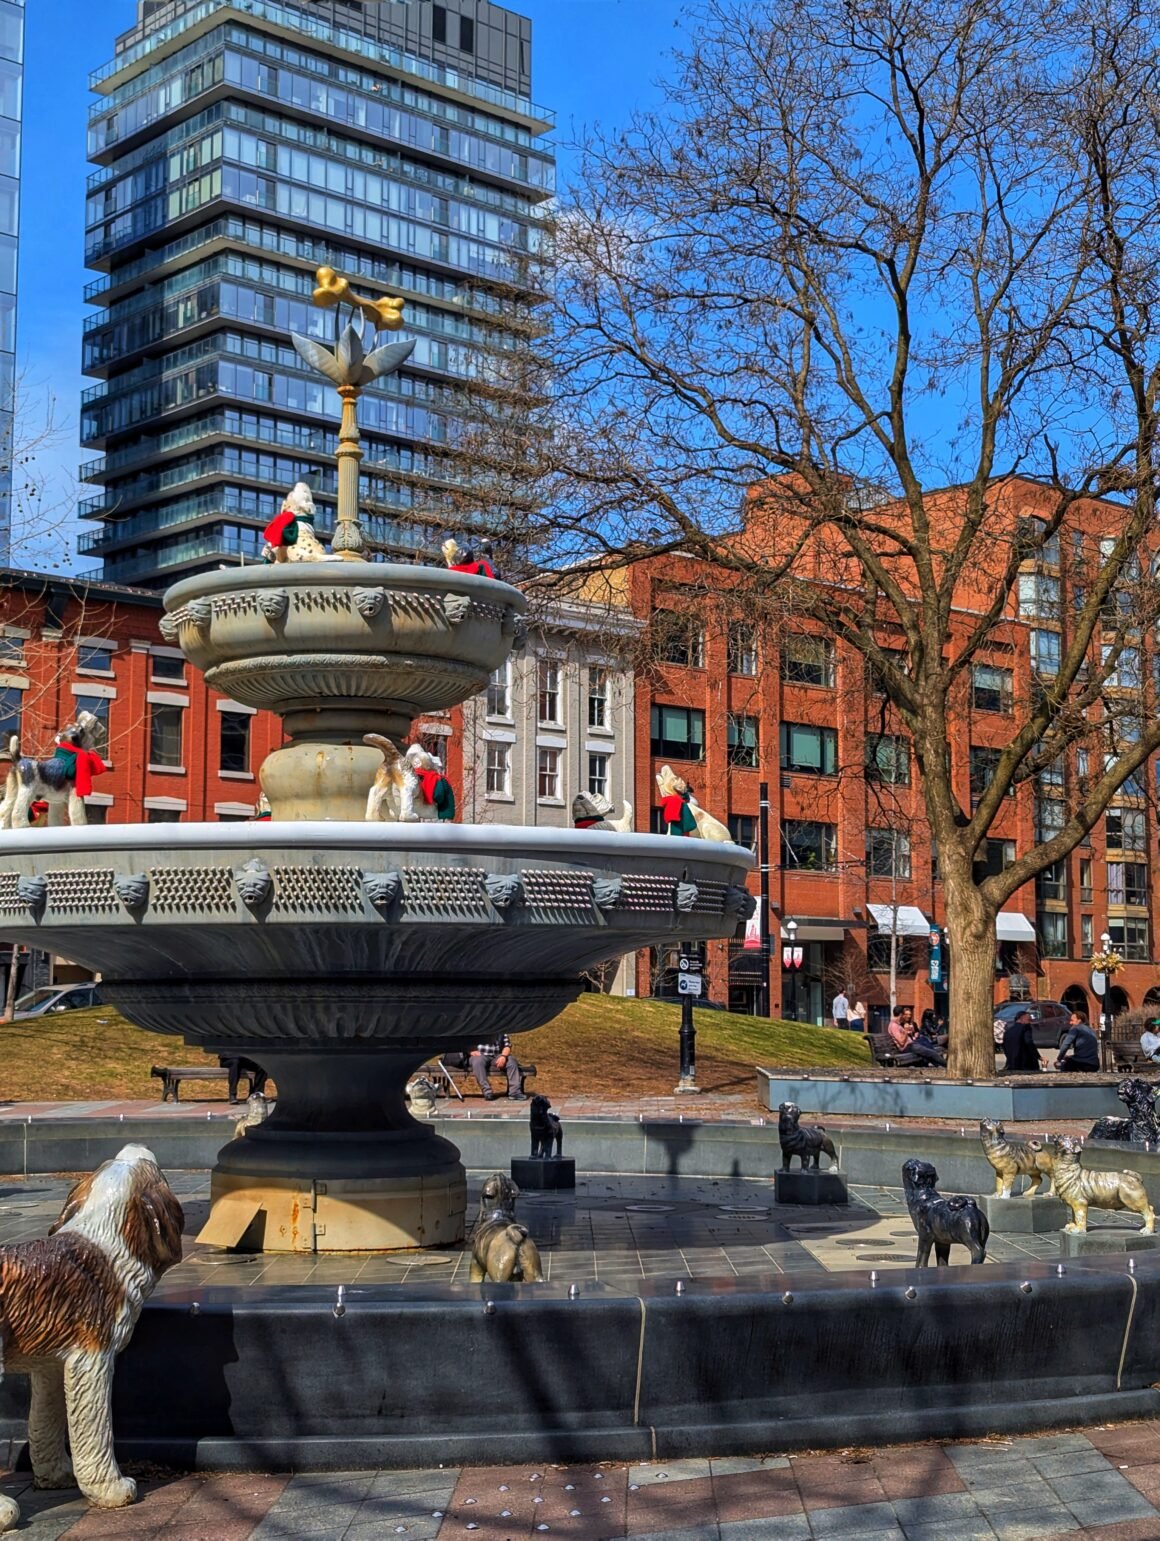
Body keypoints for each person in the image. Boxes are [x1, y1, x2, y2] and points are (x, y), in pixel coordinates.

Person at [468, 1033, 525, 1101]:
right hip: (479, 1055)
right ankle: (487, 1092)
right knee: (477, 1062)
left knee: (511, 1062)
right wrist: (470, 1051)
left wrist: (503, 1056)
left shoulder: (500, 1030)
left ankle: (515, 1092)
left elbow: (507, 1046)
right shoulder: (476, 1029)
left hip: (497, 1055)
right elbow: (464, 1042)